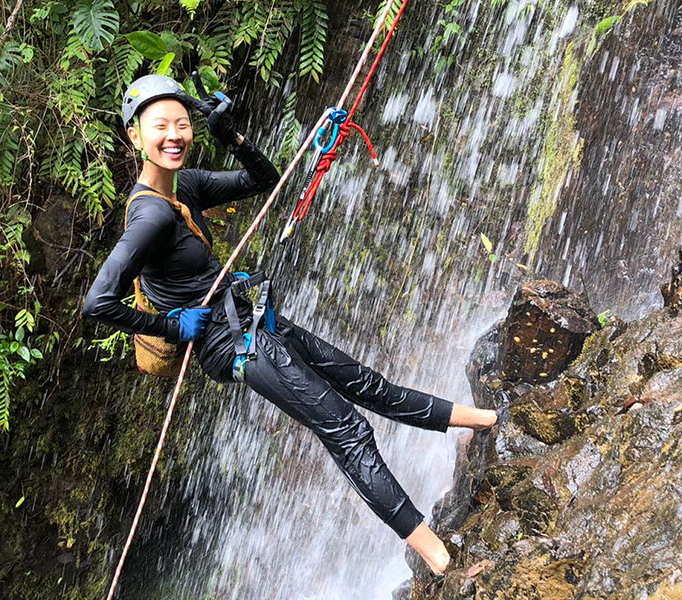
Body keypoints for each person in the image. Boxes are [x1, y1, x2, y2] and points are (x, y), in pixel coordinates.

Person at [81, 74, 498, 575]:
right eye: (159, 127)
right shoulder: (148, 215)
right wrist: (174, 327)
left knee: (365, 383)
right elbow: (97, 302)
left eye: (182, 124)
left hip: (250, 316)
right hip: (234, 344)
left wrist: (230, 135)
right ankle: (436, 555)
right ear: (134, 136)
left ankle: (483, 420)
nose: (174, 135)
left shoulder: (183, 187)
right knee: (346, 427)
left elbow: (264, 179)